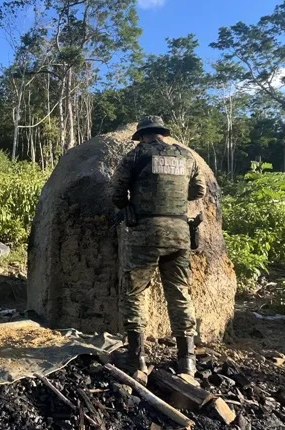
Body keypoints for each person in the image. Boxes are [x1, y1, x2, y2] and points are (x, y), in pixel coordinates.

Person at [110, 116, 206, 376]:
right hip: (180, 233)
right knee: (179, 293)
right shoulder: (187, 157)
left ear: (142, 135)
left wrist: (128, 205)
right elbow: (198, 191)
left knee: (135, 292)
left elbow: (116, 192)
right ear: (162, 133)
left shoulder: (136, 155)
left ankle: (136, 358)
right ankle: (187, 359)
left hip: (146, 233)